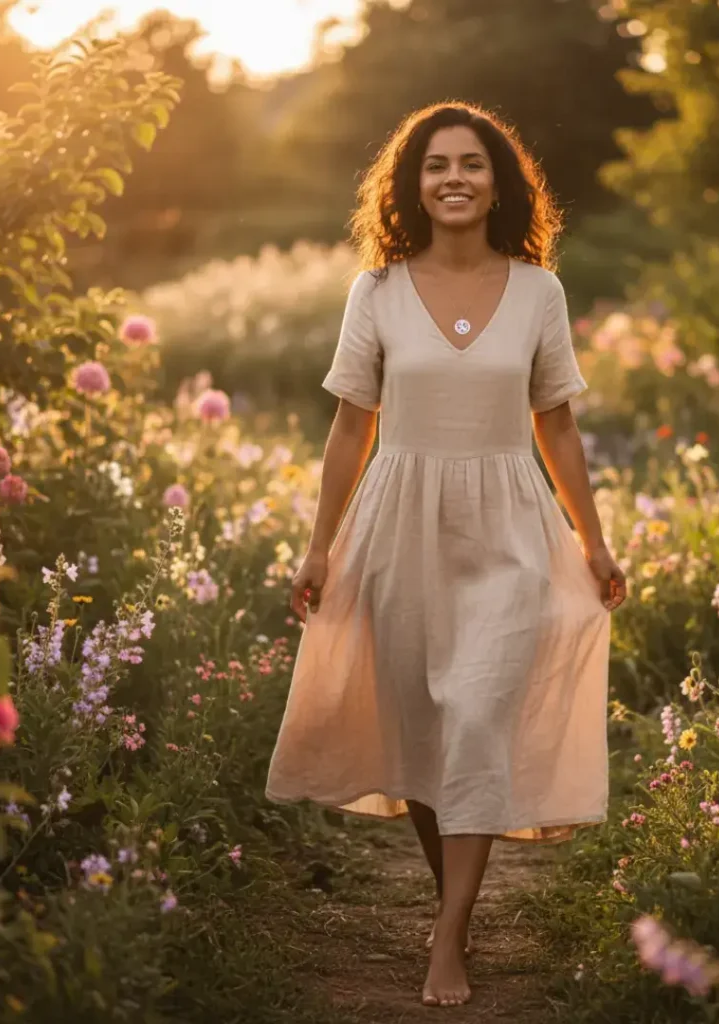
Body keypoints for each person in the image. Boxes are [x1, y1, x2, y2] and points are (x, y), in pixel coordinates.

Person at [265, 102, 626, 1008]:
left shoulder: (539, 291)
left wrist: (592, 540)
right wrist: (318, 548)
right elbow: (352, 426)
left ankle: (450, 936)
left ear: (498, 184)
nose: (454, 178)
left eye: (471, 163)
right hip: (398, 527)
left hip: (509, 529)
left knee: (474, 714)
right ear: (412, 186)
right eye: (436, 165)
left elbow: (556, 424)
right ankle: (451, 903)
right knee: (426, 730)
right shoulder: (376, 292)